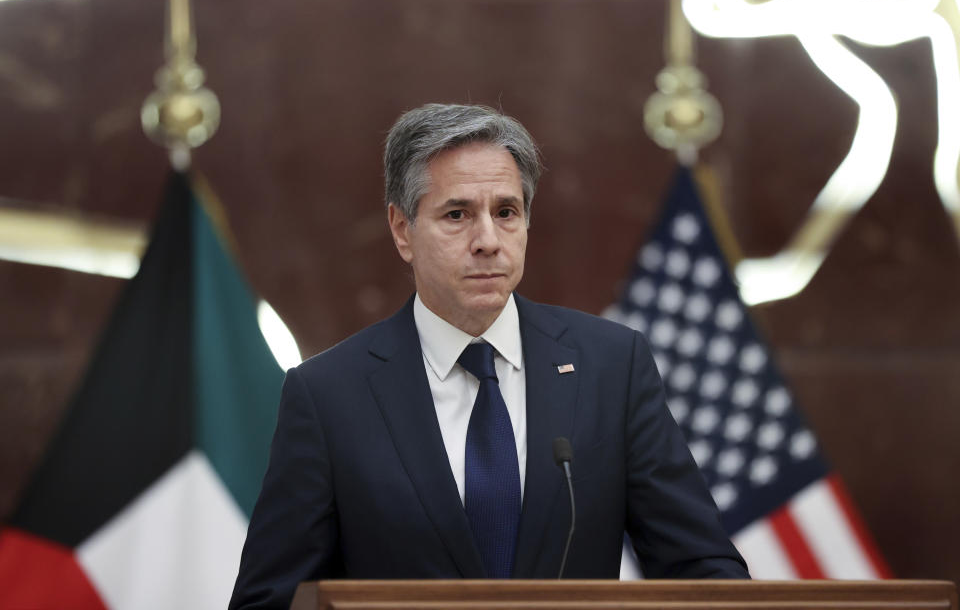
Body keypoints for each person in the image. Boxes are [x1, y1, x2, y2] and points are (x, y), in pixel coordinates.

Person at [229, 103, 748, 609]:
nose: (488, 241)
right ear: (402, 229)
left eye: (506, 212)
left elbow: (701, 571)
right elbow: (269, 599)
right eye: (457, 214)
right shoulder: (328, 396)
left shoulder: (611, 366)